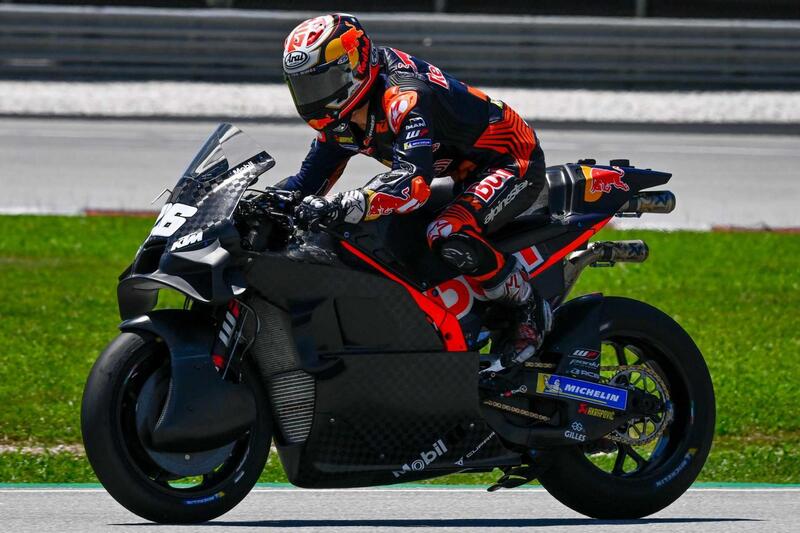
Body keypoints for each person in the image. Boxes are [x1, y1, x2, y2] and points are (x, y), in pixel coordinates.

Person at [281, 13, 551, 371]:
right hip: (459, 170)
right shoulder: (342, 117)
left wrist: (348, 202)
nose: (314, 98)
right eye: (304, 87)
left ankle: (527, 305)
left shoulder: (404, 96)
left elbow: (413, 185)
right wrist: (254, 201)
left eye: (322, 83)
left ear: (355, 66)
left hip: (509, 160)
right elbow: (304, 185)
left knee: (446, 232)